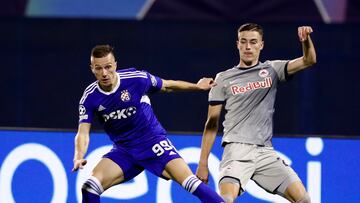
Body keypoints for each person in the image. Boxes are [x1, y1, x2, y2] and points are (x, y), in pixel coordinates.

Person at [72, 44, 224, 203]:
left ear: (115, 64)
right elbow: (82, 133)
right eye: (98, 68)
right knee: (89, 187)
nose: (104, 73)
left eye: (108, 67)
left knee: (190, 182)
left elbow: (168, 85)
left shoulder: (136, 79)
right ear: (92, 68)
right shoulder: (89, 97)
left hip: (152, 141)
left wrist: (197, 87)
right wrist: (78, 156)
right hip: (124, 150)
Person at [196, 23, 316, 203]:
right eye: (243, 42)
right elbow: (211, 124)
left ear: (261, 45)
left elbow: (309, 60)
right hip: (236, 151)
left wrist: (306, 42)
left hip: (265, 153)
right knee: (226, 200)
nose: (248, 47)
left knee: (304, 200)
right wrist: (203, 163)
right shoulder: (223, 78)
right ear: (237, 44)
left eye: (253, 42)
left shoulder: (272, 70)